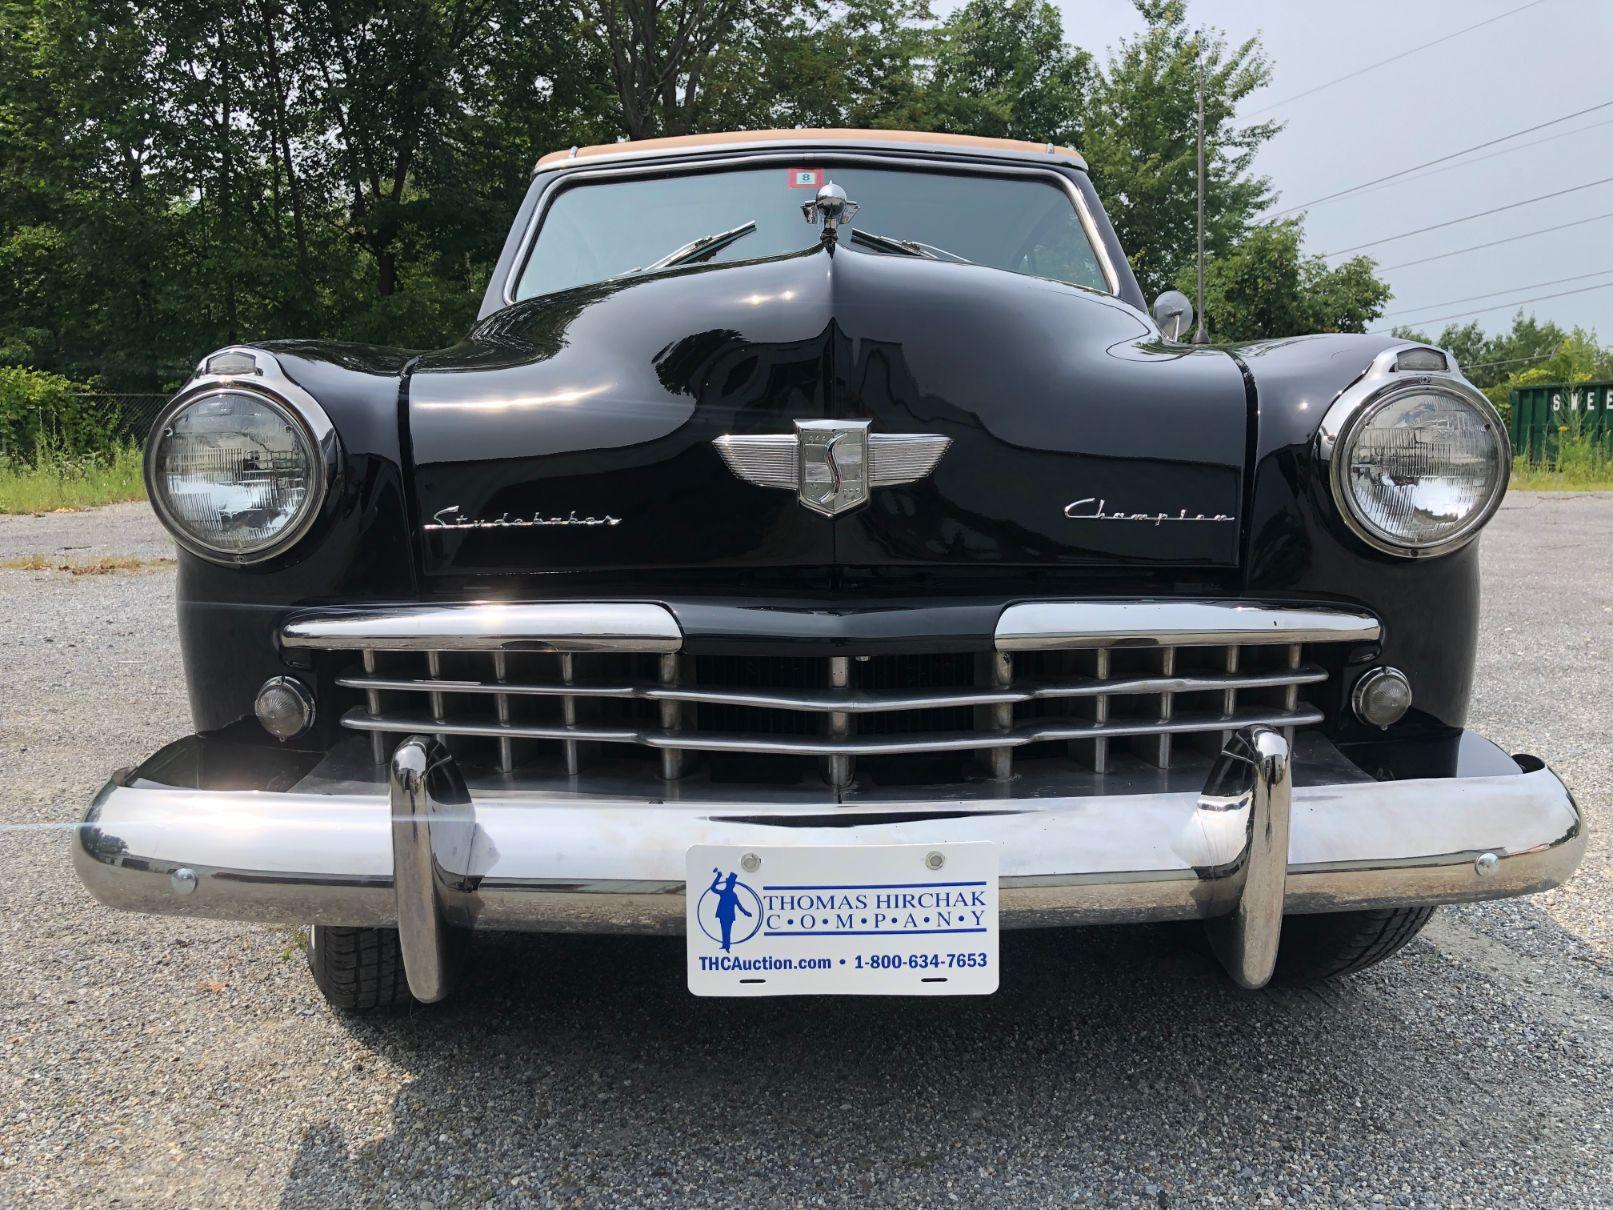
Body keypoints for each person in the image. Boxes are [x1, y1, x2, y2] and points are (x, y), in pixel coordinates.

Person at [708, 868, 752, 951]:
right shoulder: (723, 892)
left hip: (729, 916)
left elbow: (739, 906)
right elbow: (713, 888)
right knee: (724, 931)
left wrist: (746, 913)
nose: (730, 885)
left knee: (727, 931)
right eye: (729, 884)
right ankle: (725, 945)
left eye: (731, 884)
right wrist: (718, 877)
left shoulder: (733, 895)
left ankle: (727, 946)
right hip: (722, 915)